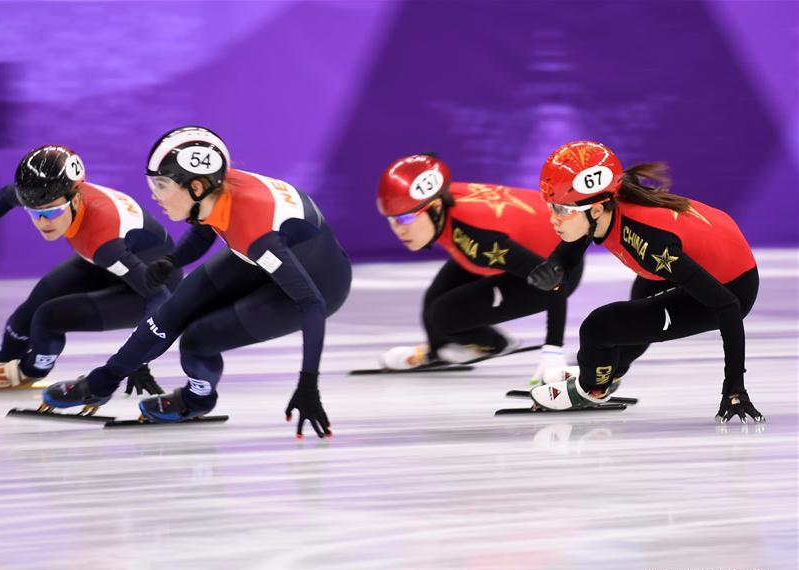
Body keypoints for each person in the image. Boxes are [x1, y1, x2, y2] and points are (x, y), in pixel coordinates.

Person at [42, 126, 352, 437]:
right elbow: (205, 227)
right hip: (269, 257)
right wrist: (173, 261)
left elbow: (311, 302)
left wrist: (308, 382)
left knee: (199, 339)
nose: (154, 195)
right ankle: (101, 382)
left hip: (319, 284)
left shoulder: (256, 232)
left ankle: (197, 399)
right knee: (172, 312)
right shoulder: (215, 193)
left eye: (161, 185)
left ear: (197, 186)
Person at [528, 141, 763, 423]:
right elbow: (579, 237)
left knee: (599, 327)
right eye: (553, 207)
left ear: (598, 210)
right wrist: (556, 266)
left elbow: (727, 305)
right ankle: (609, 372)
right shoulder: (607, 206)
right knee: (637, 309)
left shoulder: (649, 243)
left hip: (731, 287)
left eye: (562, 210)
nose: (553, 218)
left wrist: (735, 387)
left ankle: (593, 388)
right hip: (700, 256)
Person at [0, 145, 180, 392]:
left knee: (49, 317)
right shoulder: (41, 191)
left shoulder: (103, 240)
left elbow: (159, 297)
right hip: (113, 262)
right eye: (34, 213)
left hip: (152, 285)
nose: (43, 223)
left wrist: (138, 361)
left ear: (76, 197)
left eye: (52, 212)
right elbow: (3, 197)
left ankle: (31, 369)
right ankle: (2, 360)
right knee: (34, 303)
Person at [375, 154, 583, 384]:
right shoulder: (447, 207)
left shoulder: (477, 237)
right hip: (509, 246)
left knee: (444, 315)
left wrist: (553, 351)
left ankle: (495, 344)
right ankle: (440, 351)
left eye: (405, 219)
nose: (398, 230)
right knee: (433, 301)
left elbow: (554, 280)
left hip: (558, 265)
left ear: (434, 207)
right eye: (391, 219)